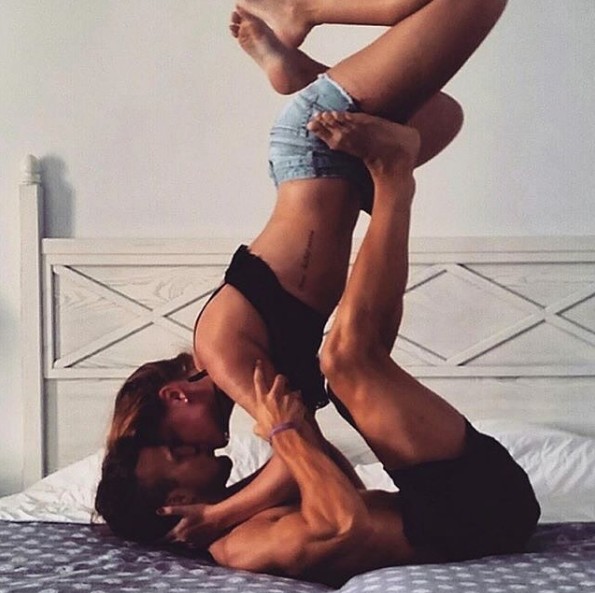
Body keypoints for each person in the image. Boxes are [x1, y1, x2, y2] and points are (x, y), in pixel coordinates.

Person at [96, 0, 508, 545]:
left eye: (182, 445)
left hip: (312, 148)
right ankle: (296, 71)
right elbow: (322, 468)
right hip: (349, 173)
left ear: (175, 397)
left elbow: (301, 458)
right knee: (443, 116)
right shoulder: (255, 382)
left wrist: (218, 515)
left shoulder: (221, 352)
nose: (207, 450)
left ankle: (302, 10)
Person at [153, 114, 540, 587]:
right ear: (176, 507)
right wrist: (283, 431)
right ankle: (392, 176)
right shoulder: (238, 545)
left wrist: (284, 448)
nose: (190, 448)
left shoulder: (240, 514)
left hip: (449, 501)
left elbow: (334, 477)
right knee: (346, 360)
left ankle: (385, 185)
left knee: (354, 365)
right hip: (476, 513)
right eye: (176, 456)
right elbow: (344, 523)